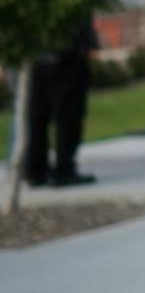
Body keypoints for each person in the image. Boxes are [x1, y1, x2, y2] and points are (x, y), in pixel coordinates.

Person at [24, 13, 97, 188]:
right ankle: (63, 170)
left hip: (37, 59)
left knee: (37, 118)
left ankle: (35, 171)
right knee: (68, 118)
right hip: (67, 58)